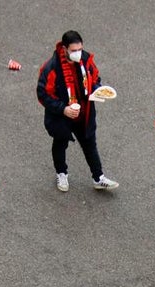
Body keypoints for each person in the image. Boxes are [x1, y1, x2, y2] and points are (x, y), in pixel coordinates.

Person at [36, 31, 119, 193]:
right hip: (62, 116)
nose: (78, 53)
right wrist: (63, 109)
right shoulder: (52, 67)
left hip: (84, 112)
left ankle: (98, 177)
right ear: (65, 49)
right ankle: (61, 173)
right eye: (74, 50)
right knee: (60, 144)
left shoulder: (86, 59)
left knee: (90, 144)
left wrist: (96, 90)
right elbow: (43, 94)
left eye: (80, 49)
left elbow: (94, 78)